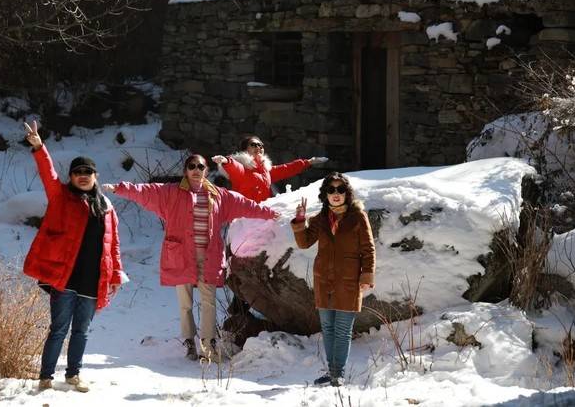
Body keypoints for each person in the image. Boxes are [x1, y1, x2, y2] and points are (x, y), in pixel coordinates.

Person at [102, 154, 279, 361]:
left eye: (200, 167)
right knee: (185, 302)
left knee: (208, 301)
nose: (196, 170)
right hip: (181, 255)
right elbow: (145, 192)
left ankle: (208, 343)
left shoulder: (219, 196)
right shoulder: (171, 192)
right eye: (192, 166)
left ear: (206, 170)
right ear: (186, 170)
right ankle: (189, 341)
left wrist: (270, 213)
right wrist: (119, 188)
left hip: (209, 256)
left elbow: (246, 205)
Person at [22, 120, 127, 393]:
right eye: (77, 172)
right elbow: (48, 174)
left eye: (87, 172)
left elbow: (113, 245)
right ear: (71, 176)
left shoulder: (107, 207)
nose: (82, 176)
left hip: (92, 279)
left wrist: (116, 275)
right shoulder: (61, 197)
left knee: (82, 330)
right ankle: (46, 377)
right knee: (59, 328)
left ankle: (73, 375)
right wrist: (39, 147)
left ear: (95, 176)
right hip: (64, 276)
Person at [290, 172, 375, 387]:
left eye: (340, 189)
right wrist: (300, 221)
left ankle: (338, 374)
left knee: (343, 330)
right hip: (324, 280)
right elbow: (304, 243)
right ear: (325, 194)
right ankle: (332, 372)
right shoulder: (321, 218)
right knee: (328, 328)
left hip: (349, 281)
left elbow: (368, 249)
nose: (336, 194)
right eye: (331, 190)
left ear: (347, 193)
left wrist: (366, 275)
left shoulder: (358, 216)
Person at [211, 135, 328, 203]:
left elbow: (286, 169)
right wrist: (226, 161)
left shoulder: (266, 170)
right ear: (245, 150)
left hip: (262, 217)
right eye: (254, 144)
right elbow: (235, 168)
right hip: (243, 220)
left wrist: (308, 162)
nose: (258, 147)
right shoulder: (241, 169)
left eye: (260, 145)